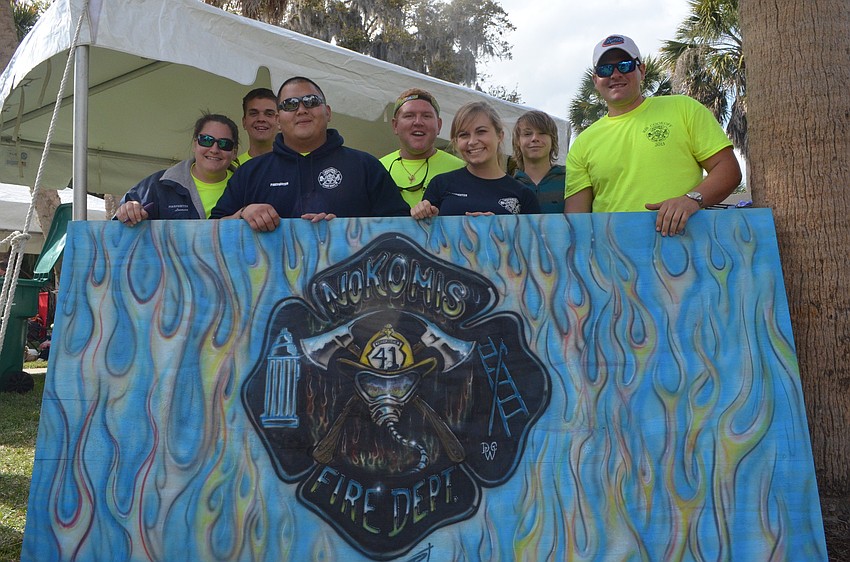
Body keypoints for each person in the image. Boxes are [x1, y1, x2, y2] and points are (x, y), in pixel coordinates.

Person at [565, 34, 742, 236]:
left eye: (625, 65)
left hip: (686, 249)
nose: (615, 74)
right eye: (605, 69)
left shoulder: (683, 108)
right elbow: (576, 220)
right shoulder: (582, 143)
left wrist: (691, 200)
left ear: (642, 69)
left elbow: (728, 170)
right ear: (595, 80)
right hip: (615, 259)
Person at [210, 76, 409, 231]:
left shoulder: (366, 166)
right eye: (290, 104)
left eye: (311, 101)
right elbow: (210, 231)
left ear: (328, 112)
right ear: (278, 120)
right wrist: (243, 214)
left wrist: (346, 232)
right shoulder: (249, 172)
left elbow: (403, 229)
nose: (302, 109)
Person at [410, 101, 540, 218]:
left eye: (481, 131)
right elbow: (425, 239)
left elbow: (534, 242)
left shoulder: (524, 195)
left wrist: (500, 228)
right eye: (464, 135)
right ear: (456, 141)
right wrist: (425, 216)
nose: (472, 142)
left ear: (500, 135)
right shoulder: (440, 184)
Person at [115, 114, 239, 225]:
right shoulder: (159, 185)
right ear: (195, 144)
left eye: (224, 144)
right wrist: (128, 210)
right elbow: (117, 228)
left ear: (234, 152)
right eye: (206, 140)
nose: (214, 149)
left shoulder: (247, 187)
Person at [379, 88, 464, 207]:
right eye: (409, 116)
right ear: (395, 125)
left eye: (426, 116)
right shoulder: (377, 169)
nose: (418, 122)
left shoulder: (461, 170)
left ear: (439, 125)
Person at [512, 110, 566, 213]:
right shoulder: (509, 186)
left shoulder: (569, 181)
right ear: (517, 141)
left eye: (542, 133)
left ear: (553, 140)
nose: (535, 138)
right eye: (527, 134)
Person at [236, 88, 279, 165]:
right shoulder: (235, 167)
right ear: (244, 122)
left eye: (269, 114)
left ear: (280, 122)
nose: (261, 119)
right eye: (254, 113)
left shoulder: (294, 165)